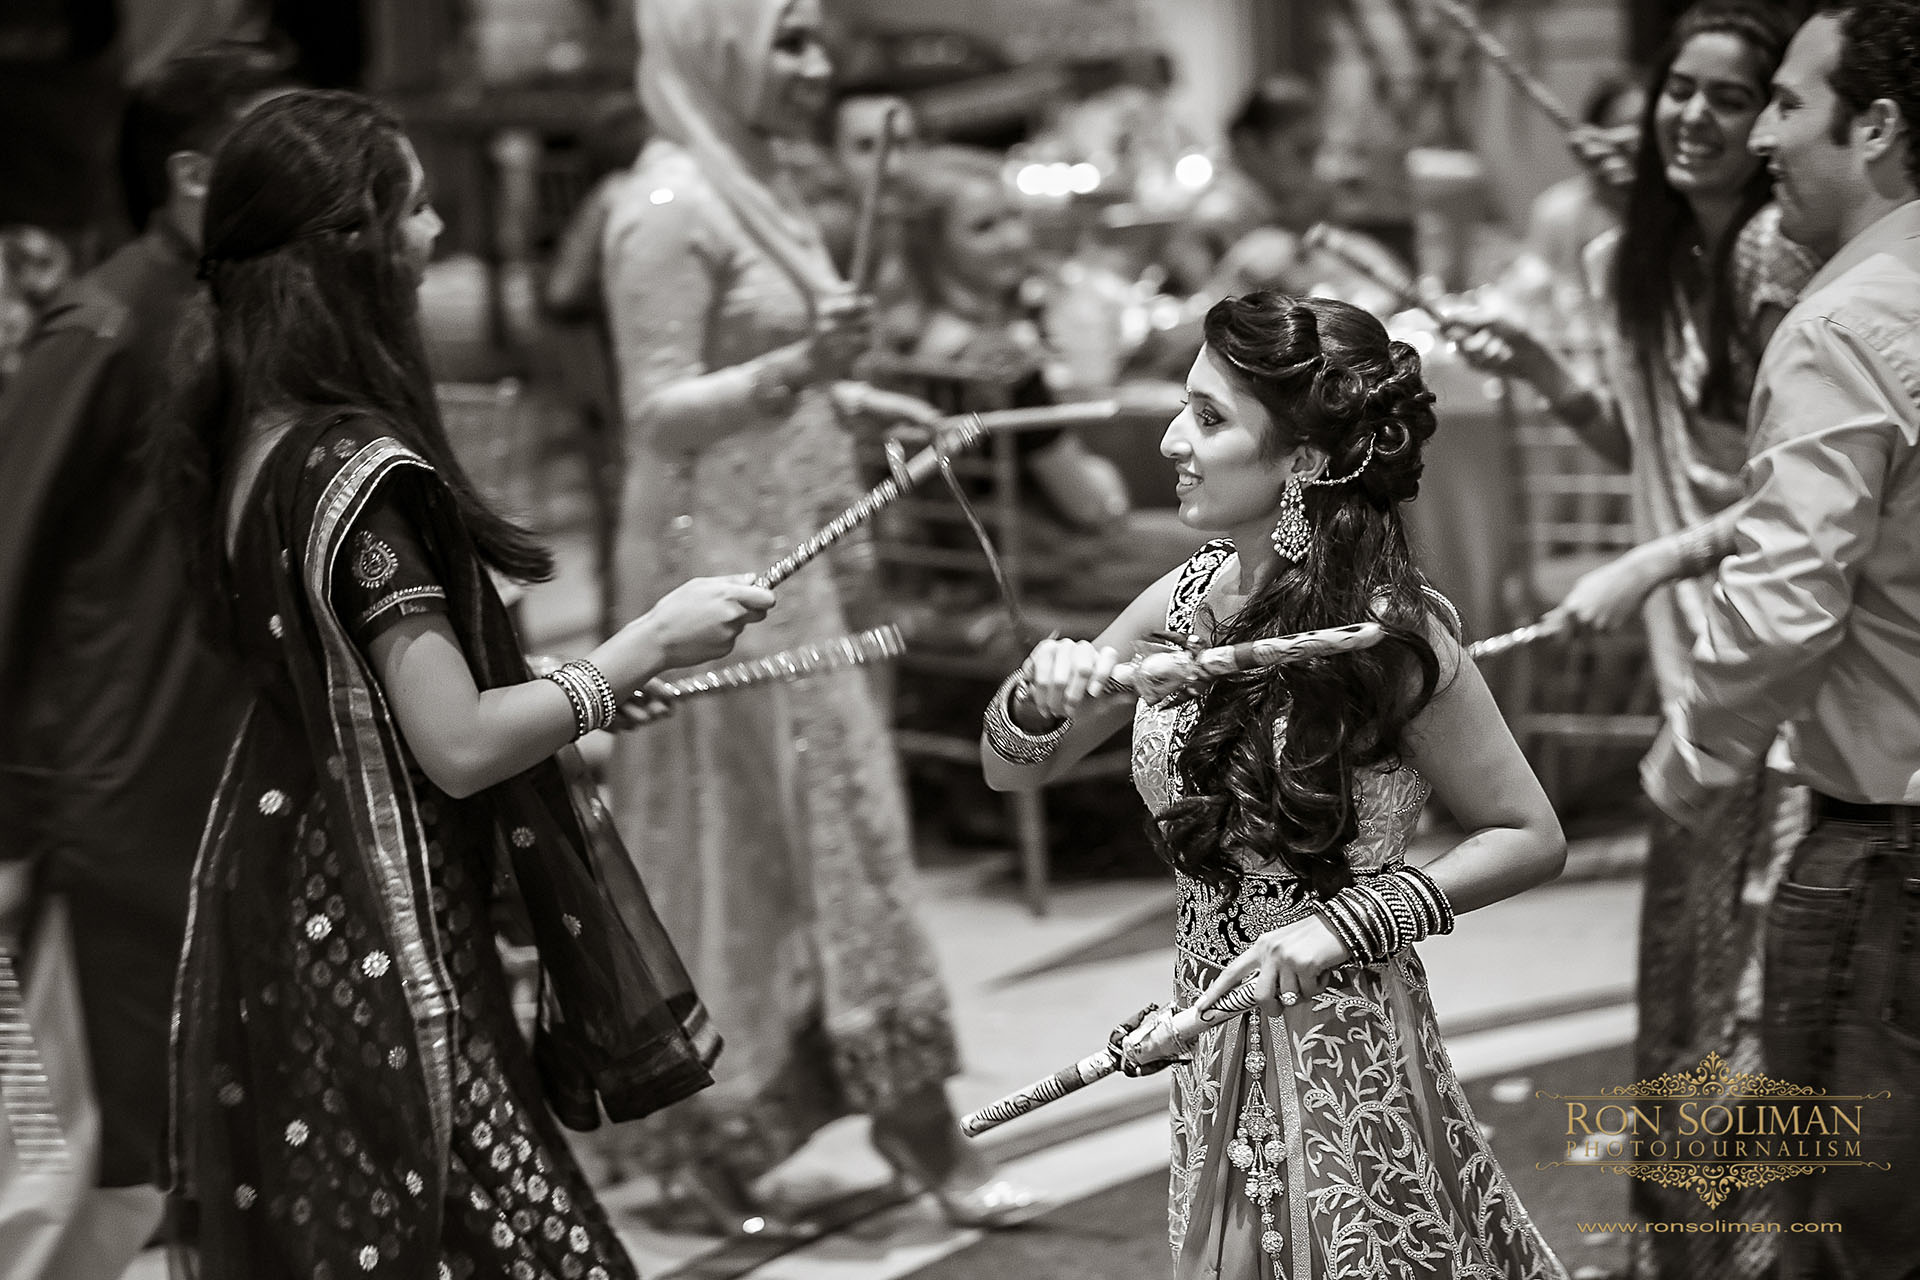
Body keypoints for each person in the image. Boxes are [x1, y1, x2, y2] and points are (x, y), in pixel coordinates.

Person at [159, 88, 774, 1279]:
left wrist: (559, 684)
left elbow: (367, 698)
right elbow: (455, 742)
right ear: (355, 243)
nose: (440, 236)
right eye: (421, 209)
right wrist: (631, 650)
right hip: (382, 930)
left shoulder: (254, 435)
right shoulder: (355, 468)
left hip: (292, 895)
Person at [984, 293, 1570, 1279]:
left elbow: (1529, 830)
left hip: (1345, 1039)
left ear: (1303, 458)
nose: (1173, 438)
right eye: (1186, 407)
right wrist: (1040, 694)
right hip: (1206, 1026)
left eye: (1210, 419)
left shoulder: (1389, 632)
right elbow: (1008, 766)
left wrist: (1345, 923)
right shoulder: (1180, 598)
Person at [600, 0, 1039, 1234]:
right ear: (714, 43)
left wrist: (865, 392)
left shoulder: (752, 187)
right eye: (785, 39)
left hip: (805, 569)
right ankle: (723, 1141)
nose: (815, 66)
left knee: (843, 844)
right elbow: (656, 410)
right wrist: (799, 370)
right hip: (726, 583)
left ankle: (893, 1122)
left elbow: (770, 376)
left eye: (813, 38)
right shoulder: (668, 207)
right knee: (749, 854)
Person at [1455, 8, 1818, 1271]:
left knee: (1760, 988)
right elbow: (1651, 451)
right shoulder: (1638, 259)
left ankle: (1759, 1251)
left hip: (1785, 662)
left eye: (1733, 97)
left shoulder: (1790, 269)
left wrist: (1657, 561)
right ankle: (1689, 1253)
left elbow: (1797, 502)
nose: (1694, 117)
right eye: (1681, 90)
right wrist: (1553, 377)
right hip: (1692, 669)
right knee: (1687, 981)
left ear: (1782, 124)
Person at [0, 43, 290, 1280]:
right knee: (68, 1173)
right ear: (191, 173)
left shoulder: (254, 314)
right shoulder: (108, 323)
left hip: (213, 786)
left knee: (195, 1146)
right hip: (105, 812)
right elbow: (7, 563)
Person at [1642, 3, 1920, 1273]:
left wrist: (1696, 759)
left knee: (1855, 1222)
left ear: (1876, 127)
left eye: (1785, 104)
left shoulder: (1842, 319)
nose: (1758, 134)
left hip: (1891, 842)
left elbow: (1784, 596)